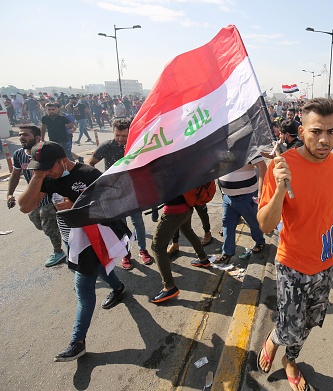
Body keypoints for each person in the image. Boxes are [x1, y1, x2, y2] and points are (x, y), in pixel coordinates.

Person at [256, 98, 333, 391]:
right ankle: (276, 340)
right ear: (301, 130)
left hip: (326, 263)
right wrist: (281, 189)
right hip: (292, 264)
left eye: (332, 132)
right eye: (316, 131)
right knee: (291, 326)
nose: (324, 140)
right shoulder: (282, 167)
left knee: (309, 321)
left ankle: (291, 359)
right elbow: (265, 225)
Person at [18, 141, 129, 362]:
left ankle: (77, 342)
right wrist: (39, 177)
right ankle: (118, 287)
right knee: (99, 271)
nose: (48, 172)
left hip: (95, 238)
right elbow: (25, 206)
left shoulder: (88, 173)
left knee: (82, 288)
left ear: (63, 160)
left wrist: (76, 208)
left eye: (49, 168)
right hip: (72, 239)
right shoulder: (47, 177)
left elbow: (114, 205)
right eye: (42, 169)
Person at [87, 119, 153, 268]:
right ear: (113, 132)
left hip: (134, 191)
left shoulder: (136, 145)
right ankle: (125, 254)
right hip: (115, 193)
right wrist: (101, 180)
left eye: (124, 135)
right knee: (121, 225)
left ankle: (143, 250)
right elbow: (89, 164)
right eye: (118, 135)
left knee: (138, 223)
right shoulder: (107, 146)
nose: (121, 139)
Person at [6, 126, 65, 267]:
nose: (21, 137)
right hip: (34, 197)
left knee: (49, 226)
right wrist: (10, 194)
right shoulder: (19, 155)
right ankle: (61, 233)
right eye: (20, 135)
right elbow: (15, 175)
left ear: (37, 138)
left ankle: (58, 251)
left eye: (26, 135)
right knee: (37, 221)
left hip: (50, 197)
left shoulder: (46, 153)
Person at [150, 194, 216, 303]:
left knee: (157, 247)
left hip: (173, 211)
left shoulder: (161, 176)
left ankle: (169, 287)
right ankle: (203, 259)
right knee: (187, 230)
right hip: (187, 207)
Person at [217, 157, 267, 263]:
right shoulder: (218, 148)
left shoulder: (247, 146)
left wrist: (261, 190)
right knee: (227, 224)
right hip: (227, 196)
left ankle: (259, 241)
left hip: (247, 197)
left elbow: (262, 166)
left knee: (253, 222)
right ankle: (227, 251)